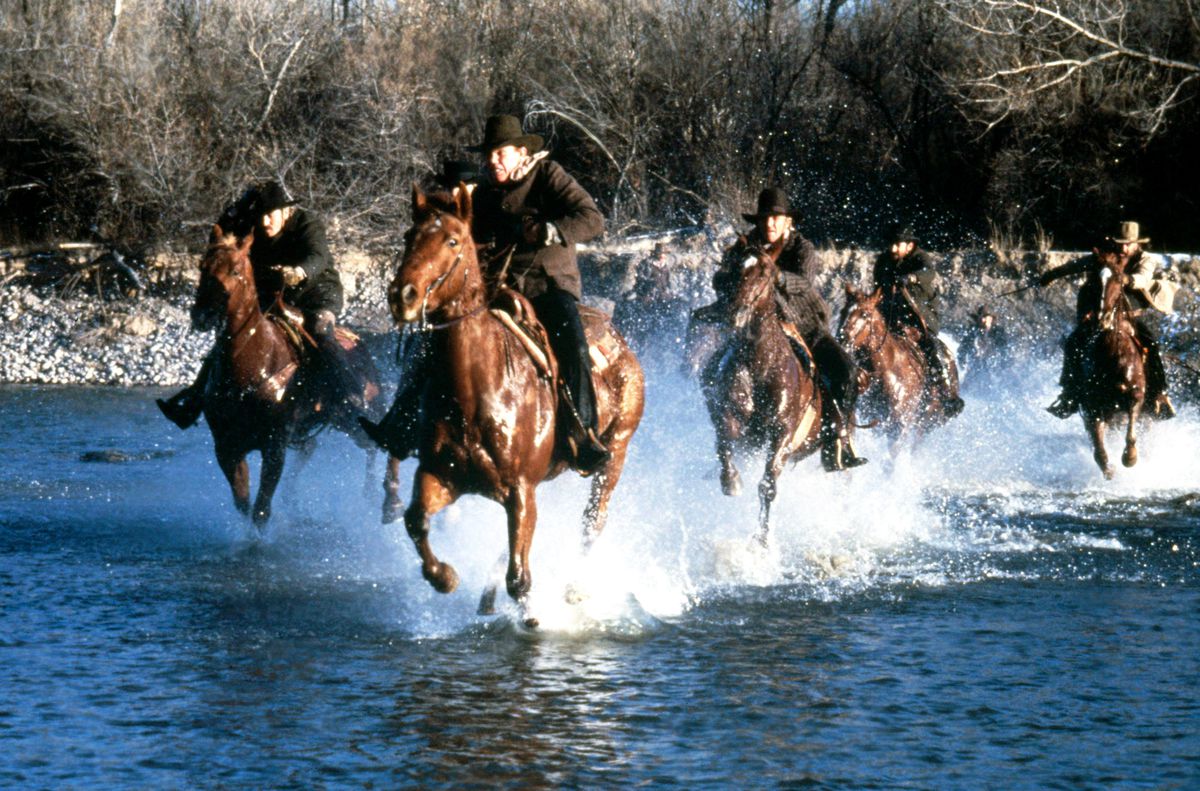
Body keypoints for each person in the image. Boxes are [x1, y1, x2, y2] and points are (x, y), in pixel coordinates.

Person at [364, 116, 610, 474]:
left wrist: (547, 231)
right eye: (490, 155)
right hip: (495, 287)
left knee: (569, 339)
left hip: (547, 285)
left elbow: (592, 219)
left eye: (501, 153)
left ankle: (582, 433)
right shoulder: (482, 190)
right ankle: (401, 425)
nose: (493, 161)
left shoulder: (548, 176)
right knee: (436, 341)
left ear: (521, 153)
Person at [157, 180, 360, 428]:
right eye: (261, 216)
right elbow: (222, 228)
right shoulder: (254, 225)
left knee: (320, 330)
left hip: (315, 295)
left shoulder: (308, 224)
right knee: (232, 335)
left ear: (286, 211)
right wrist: (240, 205)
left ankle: (347, 395)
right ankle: (195, 398)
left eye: (270, 215)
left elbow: (317, 256)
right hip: (274, 295)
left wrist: (298, 271)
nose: (265, 222)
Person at [712, 187, 867, 472]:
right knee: (712, 370)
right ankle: (725, 444)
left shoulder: (802, 247)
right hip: (754, 329)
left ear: (788, 222)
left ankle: (837, 440)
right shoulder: (746, 246)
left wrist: (777, 275)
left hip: (805, 325)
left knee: (846, 373)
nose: (770, 223)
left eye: (776, 218)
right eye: (765, 218)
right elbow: (719, 279)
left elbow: (805, 282)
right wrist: (734, 277)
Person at [1040, 221, 1178, 419]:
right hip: (1101, 315)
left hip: (1129, 316)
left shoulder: (1146, 259)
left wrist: (1126, 280)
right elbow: (1077, 265)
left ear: (1136, 244)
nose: (1123, 248)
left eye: (1127, 244)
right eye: (1120, 243)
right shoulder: (1105, 256)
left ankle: (1159, 393)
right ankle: (1069, 393)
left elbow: (1143, 278)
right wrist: (1052, 274)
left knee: (1152, 344)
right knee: (1073, 343)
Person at [872, 223, 964, 417]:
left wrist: (911, 278)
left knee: (931, 348)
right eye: (891, 244)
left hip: (920, 317)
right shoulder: (883, 261)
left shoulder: (920, 258)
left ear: (910, 245)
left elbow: (929, 273)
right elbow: (878, 287)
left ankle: (946, 391)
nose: (893, 249)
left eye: (898, 245)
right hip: (890, 315)